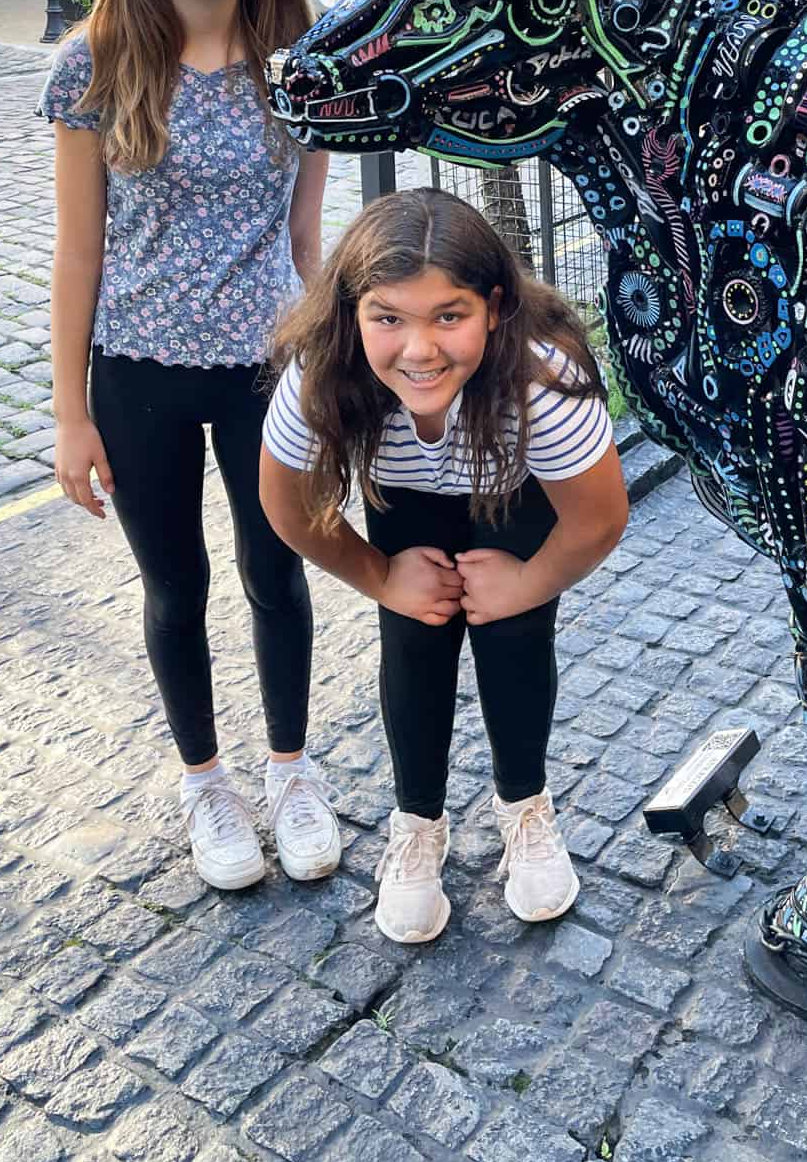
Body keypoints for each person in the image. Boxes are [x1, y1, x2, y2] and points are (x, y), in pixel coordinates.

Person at [39, 0, 337, 894]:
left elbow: (307, 242)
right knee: (176, 584)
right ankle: (206, 783)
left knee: (278, 573)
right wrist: (71, 413)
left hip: (268, 372)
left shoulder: (302, 62)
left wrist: (333, 375)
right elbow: (79, 255)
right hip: (137, 374)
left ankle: (292, 773)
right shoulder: (97, 66)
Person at [259, 187, 629, 943]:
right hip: (409, 497)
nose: (420, 350)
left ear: (493, 308)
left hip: (515, 493)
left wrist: (526, 580)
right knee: (414, 637)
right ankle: (417, 822)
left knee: (517, 635)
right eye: (388, 317)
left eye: (449, 316)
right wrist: (379, 576)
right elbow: (289, 509)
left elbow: (597, 518)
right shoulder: (320, 372)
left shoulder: (541, 381)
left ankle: (525, 807)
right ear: (352, 312)